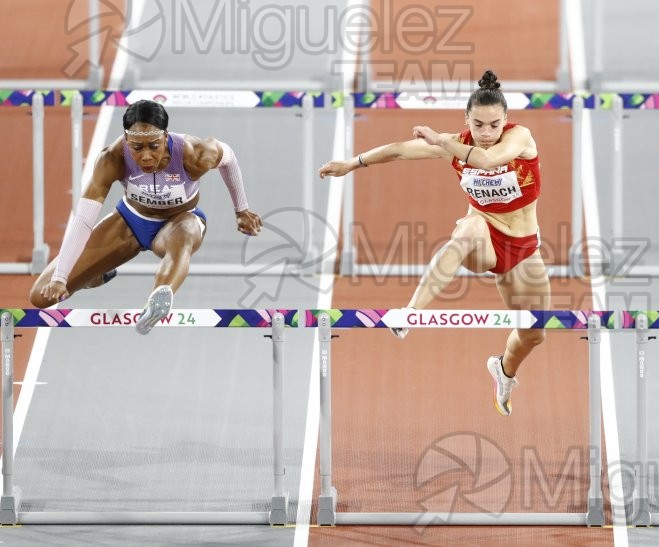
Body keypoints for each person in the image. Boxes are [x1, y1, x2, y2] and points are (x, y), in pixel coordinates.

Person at [318, 70, 549, 416]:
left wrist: (442, 142)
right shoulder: (455, 143)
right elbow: (398, 151)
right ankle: (411, 313)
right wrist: (352, 163)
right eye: (478, 124)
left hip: (523, 249)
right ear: (466, 119)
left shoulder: (520, 138)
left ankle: (503, 370)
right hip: (484, 238)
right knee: (468, 228)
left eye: (494, 125)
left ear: (506, 121)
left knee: (533, 333)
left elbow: (487, 160)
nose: (486, 133)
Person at [29, 99, 262, 334]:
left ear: (165, 136)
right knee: (40, 297)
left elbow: (229, 157)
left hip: (179, 221)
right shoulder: (112, 159)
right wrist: (60, 277)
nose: (147, 157)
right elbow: (83, 220)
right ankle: (98, 274)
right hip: (130, 221)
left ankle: (157, 299)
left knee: (184, 236)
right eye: (137, 148)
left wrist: (241, 209)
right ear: (126, 141)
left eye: (154, 145)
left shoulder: (194, 154)